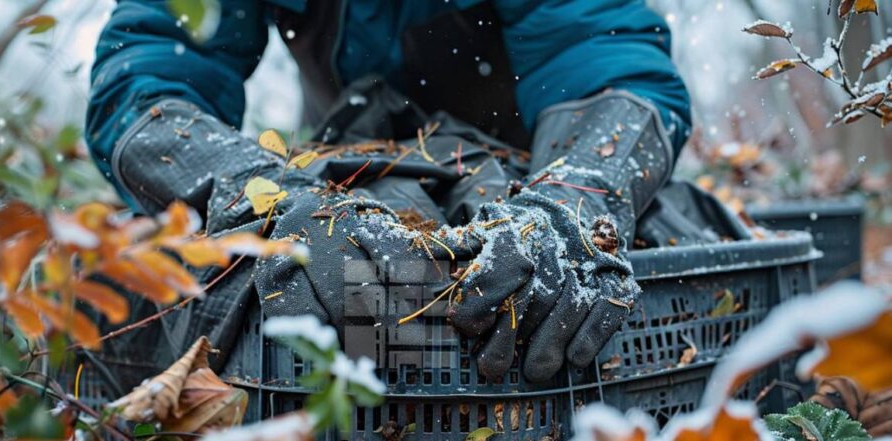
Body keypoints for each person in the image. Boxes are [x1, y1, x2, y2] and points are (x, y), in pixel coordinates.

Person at [85, 0, 692, 386]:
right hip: (347, 168)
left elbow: (604, 59)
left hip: (520, 177)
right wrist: (264, 197)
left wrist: (578, 195)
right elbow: (148, 78)